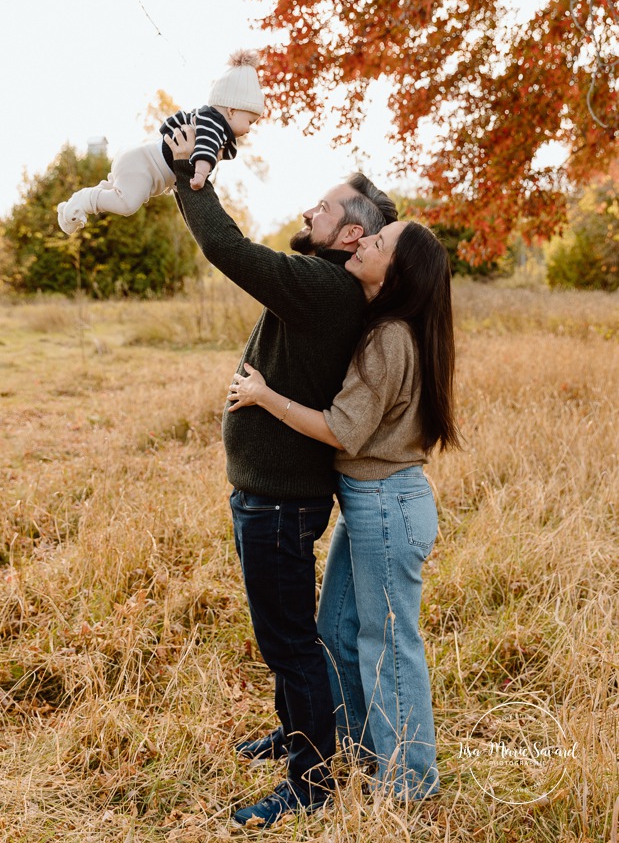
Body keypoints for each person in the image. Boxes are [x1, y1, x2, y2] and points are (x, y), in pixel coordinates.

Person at [165, 125, 397, 827]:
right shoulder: (325, 286)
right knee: (284, 634)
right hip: (270, 496)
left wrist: (189, 175)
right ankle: (296, 734)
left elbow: (227, 250)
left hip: (278, 503)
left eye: (323, 209)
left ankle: (311, 781)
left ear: (351, 236)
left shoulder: (324, 288)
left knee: (288, 640)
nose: (307, 212)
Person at [228, 219, 460, 801]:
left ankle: (409, 785)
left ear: (396, 272)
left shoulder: (390, 339)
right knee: (334, 631)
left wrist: (264, 396)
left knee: (389, 644)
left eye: (379, 244)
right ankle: (356, 746)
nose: (365, 244)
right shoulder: (385, 326)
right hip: (370, 503)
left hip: (386, 504)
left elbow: (341, 430)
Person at [56, 50, 263, 235]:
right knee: (127, 204)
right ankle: (84, 200)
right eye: (250, 121)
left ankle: (68, 211)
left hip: (139, 160)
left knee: (115, 192)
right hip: (143, 165)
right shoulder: (213, 122)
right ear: (232, 110)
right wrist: (200, 175)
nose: (249, 128)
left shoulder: (208, 120)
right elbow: (205, 151)